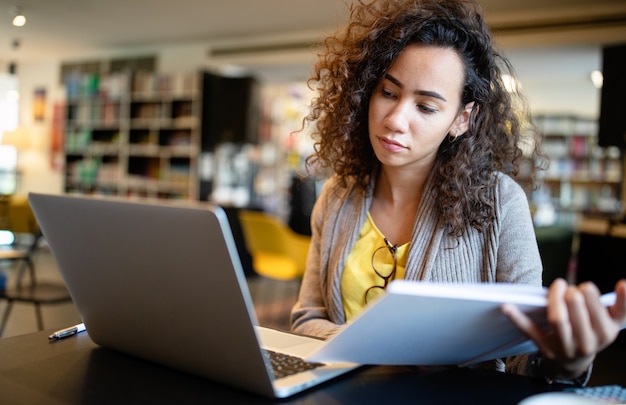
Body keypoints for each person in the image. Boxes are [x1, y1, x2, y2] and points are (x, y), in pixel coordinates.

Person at [290, 0, 626, 385]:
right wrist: (375, 356)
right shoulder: (338, 195)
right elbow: (306, 318)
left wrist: (568, 361)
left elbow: (523, 355)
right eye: (388, 92)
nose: (396, 120)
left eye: (426, 107)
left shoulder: (500, 202)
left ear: (461, 119)